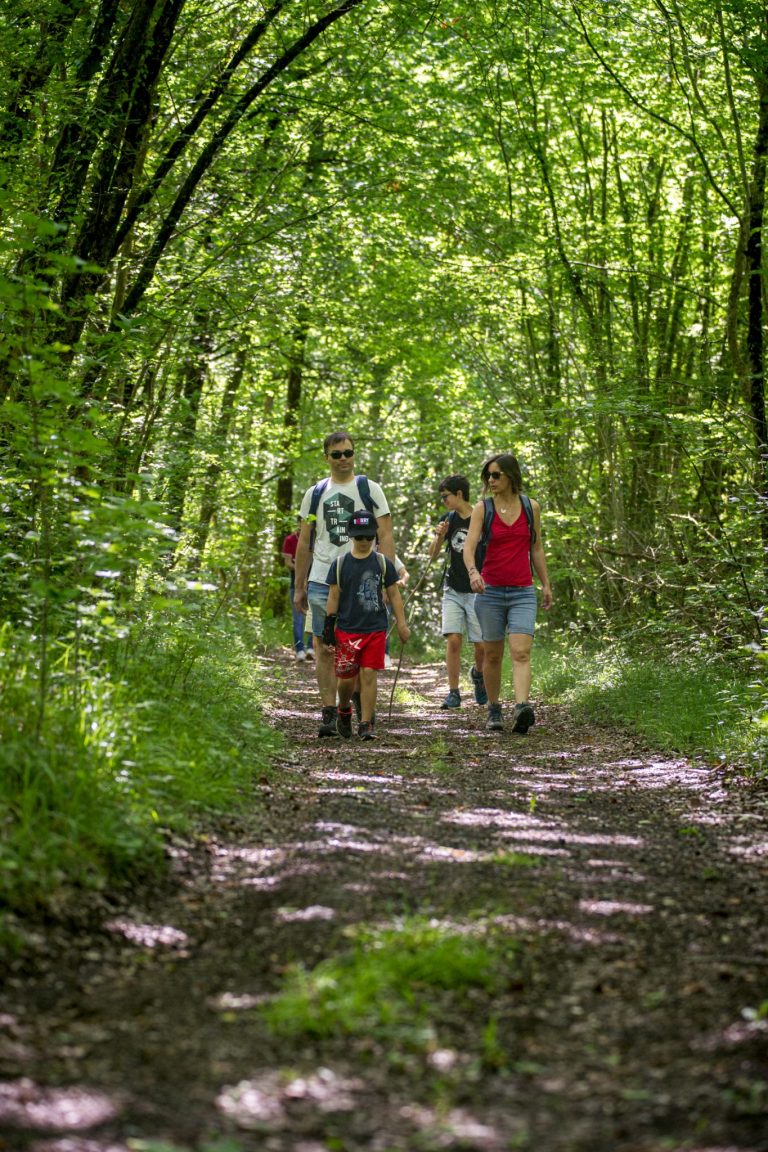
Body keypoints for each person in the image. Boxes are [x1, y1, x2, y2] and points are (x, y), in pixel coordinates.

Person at [294, 430, 396, 736]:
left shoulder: (369, 489)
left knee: (360, 647)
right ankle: (329, 712)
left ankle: (359, 706)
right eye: (336, 454)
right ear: (326, 457)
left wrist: (386, 580)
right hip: (322, 577)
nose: (343, 459)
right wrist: (299, 585)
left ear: (354, 454)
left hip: (364, 580)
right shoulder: (315, 493)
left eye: (348, 453)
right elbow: (304, 540)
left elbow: (387, 535)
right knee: (324, 646)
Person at [462, 454, 552, 733]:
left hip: (523, 591)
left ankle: (522, 707)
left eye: (496, 475)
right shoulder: (482, 508)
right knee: (492, 655)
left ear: (511, 476)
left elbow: (535, 548)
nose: (491, 480)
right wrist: (473, 573)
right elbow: (469, 546)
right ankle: (493, 708)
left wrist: (545, 583)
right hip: (489, 593)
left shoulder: (530, 507)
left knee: (521, 651)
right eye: (488, 475)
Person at [323, 510, 410, 739]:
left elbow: (394, 594)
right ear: (351, 536)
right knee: (346, 680)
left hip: (375, 629)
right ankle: (344, 709)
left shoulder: (382, 563)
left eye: (368, 537)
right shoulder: (340, 565)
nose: (364, 541)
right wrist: (328, 628)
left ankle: (365, 724)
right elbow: (333, 596)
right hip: (347, 630)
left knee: (370, 673)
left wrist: (401, 624)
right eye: (359, 537)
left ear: (375, 537)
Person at [428, 475, 487, 709]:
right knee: (453, 639)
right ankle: (453, 692)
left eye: (446, 496)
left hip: (477, 590)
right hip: (453, 588)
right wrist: (439, 535)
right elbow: (432, 554)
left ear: (459, 494)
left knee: (481, 645)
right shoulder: (448, 520)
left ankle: (478, 675)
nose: (443, 501)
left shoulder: (481, 518)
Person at [281, 520, 314, 661]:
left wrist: (300, 564)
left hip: (314, 583)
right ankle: (300, 649)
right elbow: (288, 563)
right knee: (298, 618)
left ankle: (311, 648)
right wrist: (302, 568)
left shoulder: (315, 539)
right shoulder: (290, 540)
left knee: (314, 616)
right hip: (296, 584)